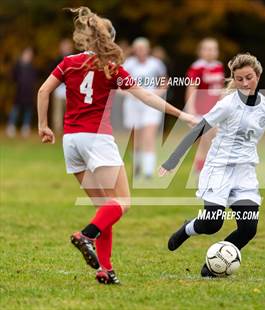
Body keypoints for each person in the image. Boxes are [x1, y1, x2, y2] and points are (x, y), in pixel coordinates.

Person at [37, 7, 196, 284]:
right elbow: (146, 97)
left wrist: (43, 125)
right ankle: (85, 235)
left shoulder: (68, 62)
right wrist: (182, 115)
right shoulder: (110, 68)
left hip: (71, 141)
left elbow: (43, 90)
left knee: (105, 207)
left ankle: (105, 270)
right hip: (97, 140)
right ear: (108, 40)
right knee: (123, 201)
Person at [159, 53, 265, 277]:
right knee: (212, 223)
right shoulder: (227, 105)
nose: (244, 83)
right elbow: (199, 129)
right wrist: (173, 159)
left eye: (249, 78)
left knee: (248, 229)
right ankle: (189, 228)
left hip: (245, 172)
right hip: (219, 168)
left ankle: (214, 267)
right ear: (234, 78)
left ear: (258, 76)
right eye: (239, 79)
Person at [122, 37, 168, 180]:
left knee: (149, 135)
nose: (141, 51)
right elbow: (119, 85)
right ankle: (137, 167)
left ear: (148, 49)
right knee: (137, 138)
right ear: (134, 50)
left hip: (151, 104)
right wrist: (131, 94)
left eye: (143, 48)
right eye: (138, 48)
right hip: (133, 104)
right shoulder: (128, 64)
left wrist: (155, 94)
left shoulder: (156, 64)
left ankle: (148, 171)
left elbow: (164, 83)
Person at [185, 38, 225, 174]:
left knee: (215, 143)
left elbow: (220, 90)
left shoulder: (218, 66)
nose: (210, 52)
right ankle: (200, 174)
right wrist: (191, 111)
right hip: (201, 111)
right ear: (200, 51)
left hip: (216, 110)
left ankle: (210, 173)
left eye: (213, 49)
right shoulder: (197, 67)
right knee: (204, 143)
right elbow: (191, 89)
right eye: (207, 49)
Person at [6, 47, 37, 138]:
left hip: (29, 93)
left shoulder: (32, 67)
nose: (28, 56)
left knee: (28, 110)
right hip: (19, 92)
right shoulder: (18, 66)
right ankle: (11, 126)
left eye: (30, 55)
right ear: (23, 55)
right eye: (27, 54)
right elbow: (12, 77)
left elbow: (34, 80)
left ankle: (25, 127)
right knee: (15, 110)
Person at [51, 39, 74, 134]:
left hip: (71, 90)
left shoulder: (74, 59)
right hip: (59, 89)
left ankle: (70, 129)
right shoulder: (56, 60)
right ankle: (57, 130)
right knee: (57, 112)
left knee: (70, 111)